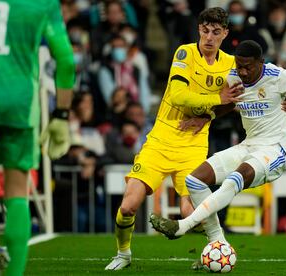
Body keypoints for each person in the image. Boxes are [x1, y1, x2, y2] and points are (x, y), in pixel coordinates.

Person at [149, 40, 286, 243]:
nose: (243, 72)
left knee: (236, 177)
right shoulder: (234, 76)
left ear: (261, 62)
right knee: (194, 180)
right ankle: (217, 242)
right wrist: (205, 117)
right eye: (239, 66)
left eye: (248, 67)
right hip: (249, 145)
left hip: (275, 151)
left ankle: (183, 225)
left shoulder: (279, 77)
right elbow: (229, 103)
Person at [103, 7, 244, 271]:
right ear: (198, 30)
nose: (209, 37)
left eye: (216, 32)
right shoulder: (185, 53)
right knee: (129, 205)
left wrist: (206, 117)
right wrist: (217, 99)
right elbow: (179, 95)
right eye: (205, 30)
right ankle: (123, 253)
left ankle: (212, 253)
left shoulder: (230, 64)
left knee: (192, 214)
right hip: (161, 139)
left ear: (225, 33)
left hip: (194, 144)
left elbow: (234, 102)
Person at [0, 0, 75, 275]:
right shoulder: (43, 4)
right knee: (16, 192)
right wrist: (61, 115)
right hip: (21, 104)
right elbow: (65, 59)